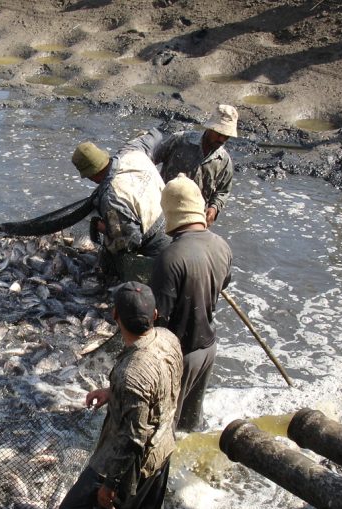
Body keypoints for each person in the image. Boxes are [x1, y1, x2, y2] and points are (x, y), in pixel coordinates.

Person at [57, 282, 182, 509]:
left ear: (115, 316)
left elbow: (132, 439)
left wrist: (109, 486)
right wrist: (112, 393)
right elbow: (155, 387)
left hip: (134, 458)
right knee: (150, 508)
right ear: (154, 314)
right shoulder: (168, 338)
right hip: (165, 445)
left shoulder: (132, 372)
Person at [149, 174, 233, 433]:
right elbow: (224, 283)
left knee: (164, 430)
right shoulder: (222, 245)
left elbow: (157, 317)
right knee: (191, 427)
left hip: (180, 355)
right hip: (208, 347)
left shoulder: (170, 256)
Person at [71, 140, 170, 282]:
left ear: (91, 175)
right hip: (174, 220)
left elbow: (132, 239)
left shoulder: (111, 197)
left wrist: (102, 228)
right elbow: (151, 139)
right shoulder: (133, 154)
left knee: (150, 283)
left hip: (158, 241)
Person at [139, 104, 238, 227]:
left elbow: (223, 191)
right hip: (162, 209)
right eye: (219, 133)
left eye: (226, 136)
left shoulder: (224, 161)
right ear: (210, 128)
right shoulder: (181, 140)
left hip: (194, 218)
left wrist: (213, 208)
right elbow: (150, 161)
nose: (222, 139)